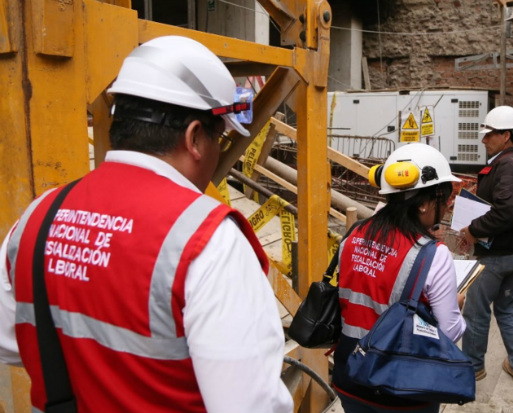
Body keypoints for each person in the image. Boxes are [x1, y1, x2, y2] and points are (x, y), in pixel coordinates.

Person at [0, 36, 293, 413]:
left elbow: (10, 341)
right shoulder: (209, 240)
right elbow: (250, 406)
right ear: (194, 138)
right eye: (219, 137)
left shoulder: (39, 215)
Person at [332, 143, 466, 413]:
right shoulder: (433, 255)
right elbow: (449, 331)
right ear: (425, 204)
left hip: (350, 376)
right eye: (446, 198)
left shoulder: (353, 235)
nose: (448, 206)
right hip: (401, 389)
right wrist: (458, 304)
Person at [458, 105, 513, 390]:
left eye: (489, 135)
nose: (484, 140)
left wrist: (472, 230)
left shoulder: (506, 165)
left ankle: (472, 367)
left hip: (498, 254)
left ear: (506, 135)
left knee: (475, 310)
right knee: (507, 308)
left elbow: (507, 211)